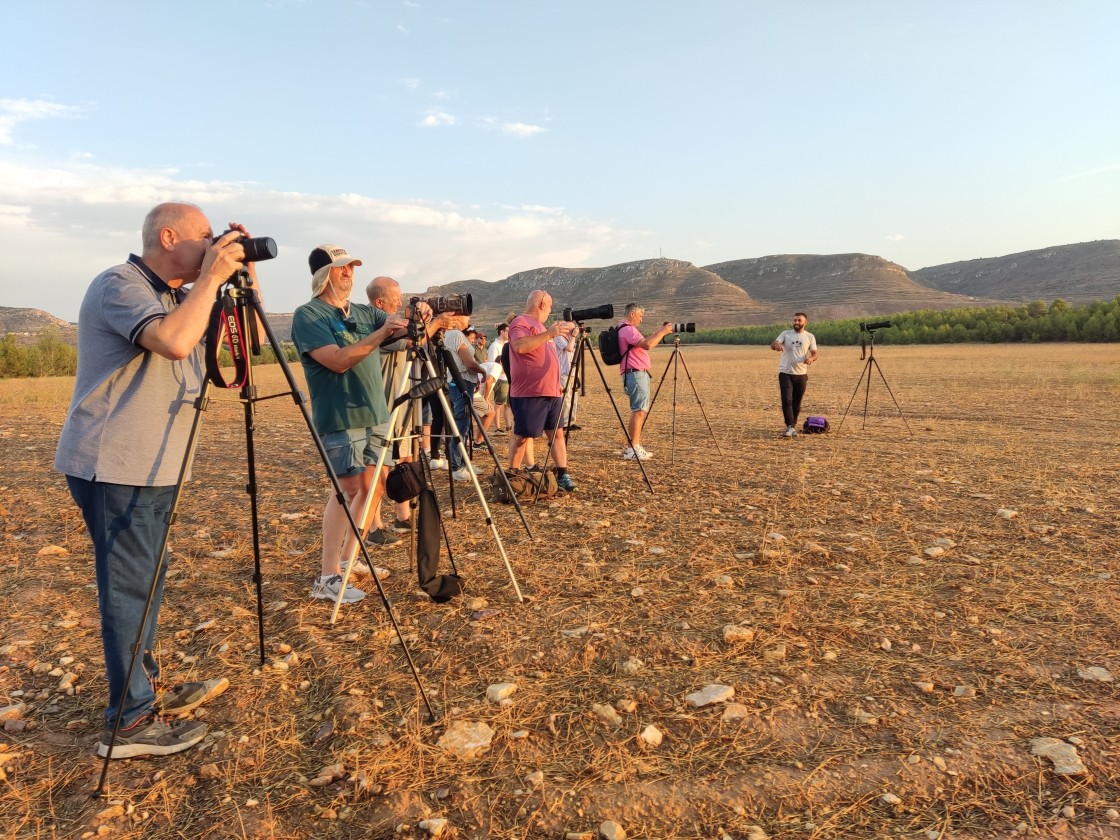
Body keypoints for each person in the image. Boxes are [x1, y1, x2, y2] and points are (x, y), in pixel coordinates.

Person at [55, 202, 249, 758]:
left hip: (153, 465)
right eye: (206, 238)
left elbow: (242, 342)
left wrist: (240, 279)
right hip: (115, 463)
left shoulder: (175, 295)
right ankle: (130, 724)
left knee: (147, 580)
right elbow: (174, 342)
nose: (215, 247)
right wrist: (211, 276)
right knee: (129, 587)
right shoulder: (119, 284)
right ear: (169, 237)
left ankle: (144, 687)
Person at [291, 246, 408, 607]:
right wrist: (379, 334)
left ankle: (347, 559)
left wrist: (426, 321)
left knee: (371, 489)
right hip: (340, 415)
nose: (349, 273)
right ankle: (327, 578)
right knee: (345, 491)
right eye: (341, 268)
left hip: (375, 412)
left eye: (352, 267)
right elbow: (339, 360)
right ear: (323, 274)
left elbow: (400, 335)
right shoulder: (309, 315)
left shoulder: (361, 312)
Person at [507, 290, 578, 491]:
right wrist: (548, 334)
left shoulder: (541, 327)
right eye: (549, 306)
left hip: (552, 391)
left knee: (557, 434)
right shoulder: (521, 322)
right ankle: (513, 475)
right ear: (541, 304)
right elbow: (520, 346)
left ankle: (563, 474)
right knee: (522, 435)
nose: (550, 311)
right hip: (530, 392)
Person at [616, 303, 674, 460]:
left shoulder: (623, 328)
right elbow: (647, 344)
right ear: (632, 314)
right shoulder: (628, 329)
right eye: (640, 316)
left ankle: (633, 446)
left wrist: (658, 332)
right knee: (639, 411)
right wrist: (662, 332)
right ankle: (633, 448)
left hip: (634, 373)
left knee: (638, 410)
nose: (641, 320)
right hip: (635, 373)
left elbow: (645, 341)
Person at [442, 323, 488, 480]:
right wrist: (482, 371)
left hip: (465, 381)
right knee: (461, 424)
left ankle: (463, 462)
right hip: (459, 382)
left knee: (465, 424)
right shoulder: (455, 334)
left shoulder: (455, 335)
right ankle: (456, 466)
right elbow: (468, 362)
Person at [771, 311, 819, 437]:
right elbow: (775, 343)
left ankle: (793, 426)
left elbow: (815, 354)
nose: (796, 322)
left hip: (801, 374)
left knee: (797, 402)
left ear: (805, 322)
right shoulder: (786, 334)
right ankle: (789, 426)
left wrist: (811, 359)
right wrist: (777, 346)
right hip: (785, 372)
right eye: (795, 320)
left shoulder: (809, 337)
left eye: (799, 320)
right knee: (787, 399)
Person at [486, 323, 510, 433]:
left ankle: (508, 426)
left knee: (508, 404)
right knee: (499, 404)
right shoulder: (494, 346)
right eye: (508, 331)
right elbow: (492, 364)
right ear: (502, 332)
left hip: (508, 377)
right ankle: (497, 427)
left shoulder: (507, 344)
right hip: (500, 378)